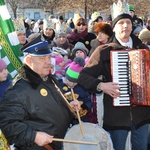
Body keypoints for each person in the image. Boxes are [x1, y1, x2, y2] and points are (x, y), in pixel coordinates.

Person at [78, 1, 150, 150]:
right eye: (121, 23)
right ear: (114, 27)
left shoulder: (144, 49)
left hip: (142, 113)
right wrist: (101, 85)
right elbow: (83, 76)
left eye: (128, 23)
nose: (125, 26)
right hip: (116, 114)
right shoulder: (104, 51)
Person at [0, 36, 80, 150]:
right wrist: (34, 136)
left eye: (49, 57)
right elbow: (7, 124)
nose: (48, 62)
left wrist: (68, 106)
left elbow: (52, 103)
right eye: (42, 58)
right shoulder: (18, 90)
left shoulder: (48, 78)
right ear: (29, 61)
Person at [58, 57, 92, 124]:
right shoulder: (59, 86)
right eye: (70, 80)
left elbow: (88, 101)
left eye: (75, 82)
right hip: (64, 120)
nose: (72, 84)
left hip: (80, 120)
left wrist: (83, 107)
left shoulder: (82, 88)